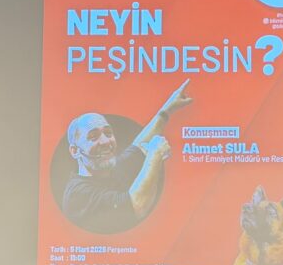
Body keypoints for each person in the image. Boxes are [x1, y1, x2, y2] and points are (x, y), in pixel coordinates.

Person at [62, 80, 193, 233]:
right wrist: (155, 155)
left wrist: (167, 110)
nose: (105, 141)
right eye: (93, 137)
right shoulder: (77, 195)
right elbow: (137, 205)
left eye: (108, 133)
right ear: (75, 151)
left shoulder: (108, 170)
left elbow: (140, 143)